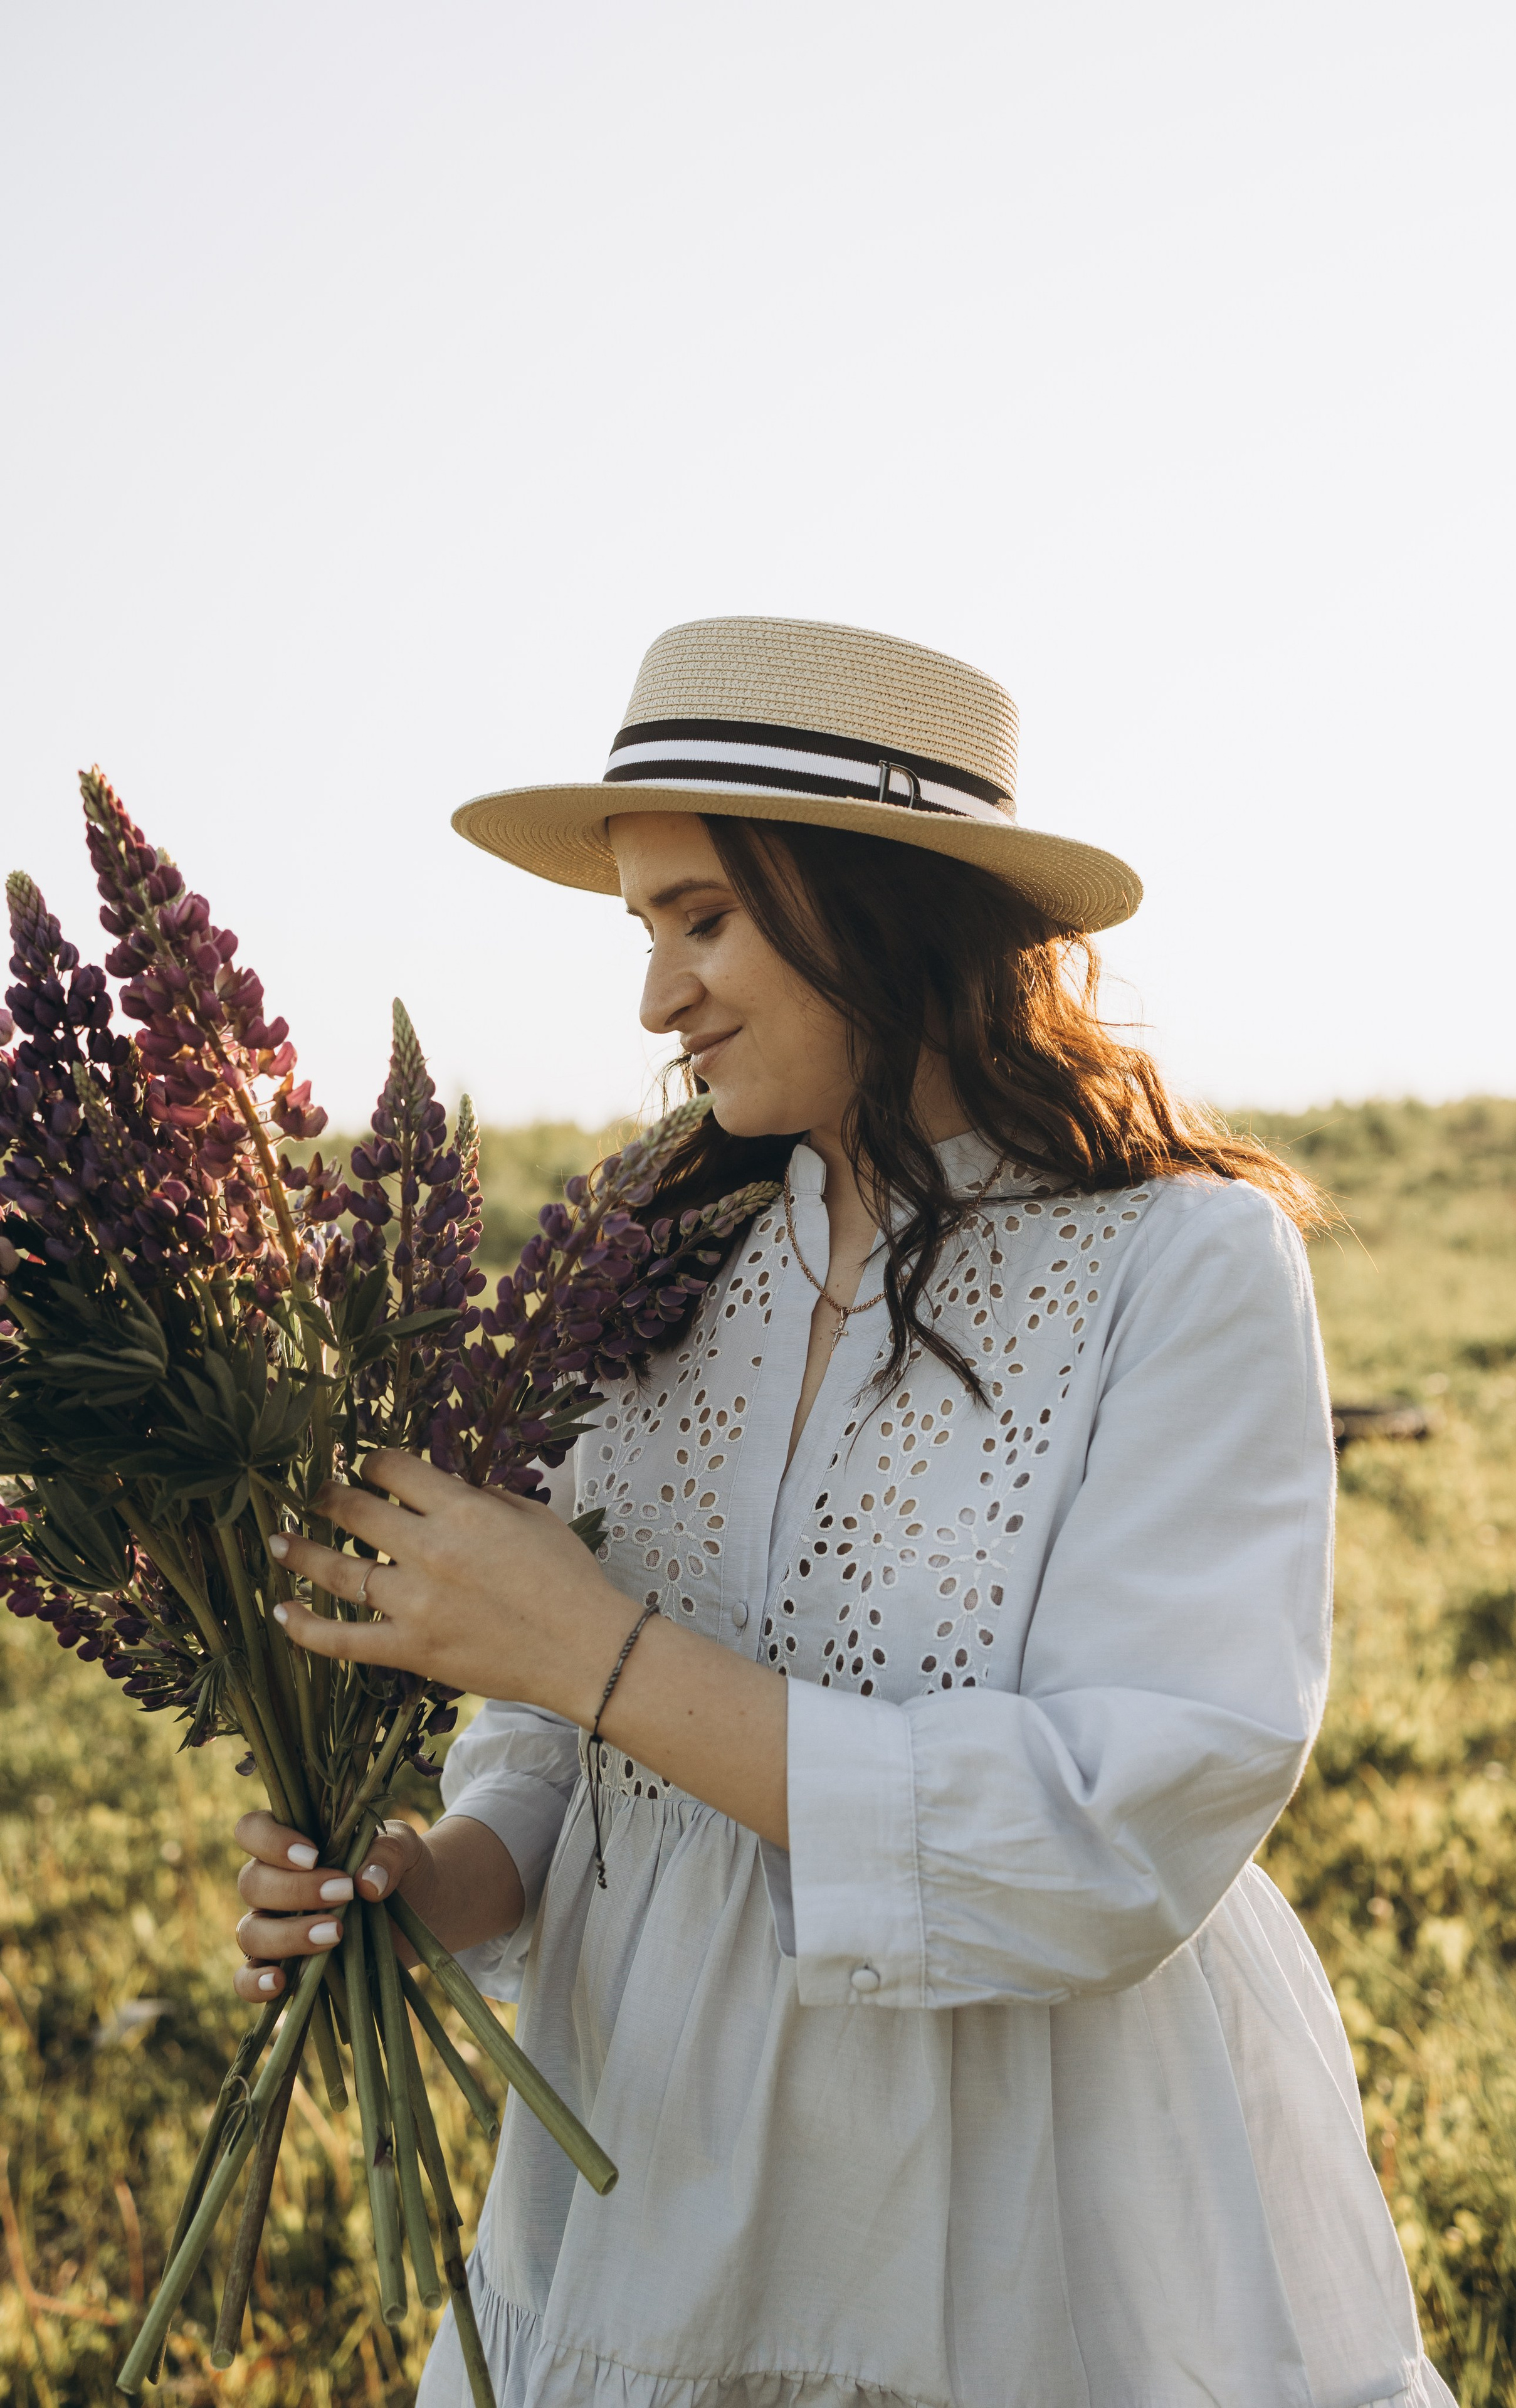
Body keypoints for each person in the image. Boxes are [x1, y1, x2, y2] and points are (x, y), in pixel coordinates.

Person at [234, 618, 1455, 2408]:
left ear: (888, 905)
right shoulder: (651, 1272)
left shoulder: (1182, 1268)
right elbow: (554, 1754)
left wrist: (599, 1648)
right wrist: (434, 1882)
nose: (661, 999)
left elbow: (1127, 1828)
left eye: (708, 919)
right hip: (659, 2167)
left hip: (1034, 2197)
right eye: (644, 930)